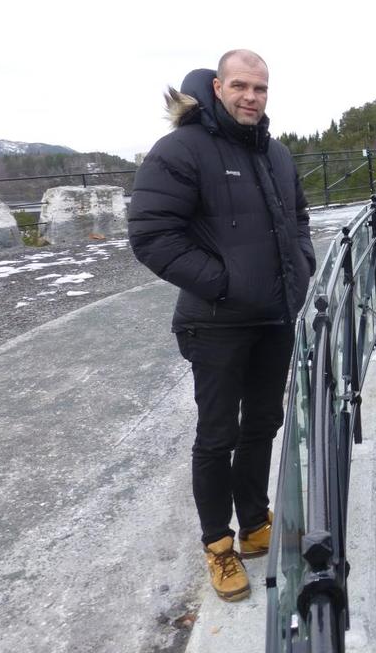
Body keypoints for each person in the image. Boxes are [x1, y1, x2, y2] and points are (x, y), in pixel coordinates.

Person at [128, 50, 315, 601]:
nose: (251, 97)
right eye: (240, 86)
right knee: (217, 436)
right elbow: (152, 235)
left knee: (263, 424)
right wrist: (226, 282)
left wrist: (300, 268)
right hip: (215, 323)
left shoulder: (275, 154)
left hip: (274, 318)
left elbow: (299, 218)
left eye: (259, 88)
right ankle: (219, 546)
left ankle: (256, 523)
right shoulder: (181, 150)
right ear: (217, 86)